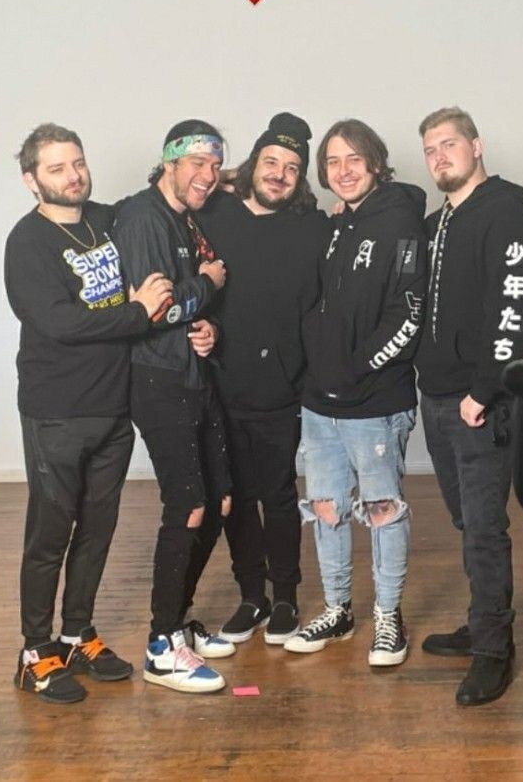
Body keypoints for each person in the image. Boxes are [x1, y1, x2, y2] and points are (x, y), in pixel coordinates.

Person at [5, 123, 171, 704]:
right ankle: (34, 651)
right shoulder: (27, 243)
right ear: (32, 180)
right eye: (56, 168)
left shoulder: (106, 220)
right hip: (56, 413)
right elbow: (61, 323)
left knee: (97, 531)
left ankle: (76, 633)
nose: (72, 175)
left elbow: (156, 199)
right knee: (50, 536)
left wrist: (214, 177)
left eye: (77, 163)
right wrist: (139, 312)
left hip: (112, 409)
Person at [284, 119, 428, 666]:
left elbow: (410, 312)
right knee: (326, 507)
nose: (342, 171)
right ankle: (338, 609)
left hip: (374, 399)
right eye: (332, 162)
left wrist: (362, 366)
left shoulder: (400, 223)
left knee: (382, 508)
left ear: (375, 163)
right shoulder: (339, 225)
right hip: (320, 403)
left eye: (353, 160)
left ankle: (389, 616)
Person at [415, 106, 523, 705]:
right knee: (469, 525)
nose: (440, 157)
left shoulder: (507, 216)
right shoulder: (440, 220)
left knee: (486, 529)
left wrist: (482, 392)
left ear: (477, 145)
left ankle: (495, 650)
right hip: (437, 398)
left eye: (449, 145)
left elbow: (514, 317)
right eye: (431, 151)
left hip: (477, 403)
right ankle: (481, 620)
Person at [197, 113, 330, 645]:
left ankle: (286, 599)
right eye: (270, 162)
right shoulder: (216, 212)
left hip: (283, 388)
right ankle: (250, 595)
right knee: (234, 494)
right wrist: (227, 176)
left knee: (276, 494)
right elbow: (160, 183)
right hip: (221, 383)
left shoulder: (313, 226)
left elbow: (405, 197)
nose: (279, 174)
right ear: (253, 163)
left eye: (292, 167)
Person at [113, 120, 234, 694]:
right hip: (158, 382)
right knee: (187, 505)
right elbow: (154, 310)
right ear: (169, 162)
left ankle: (178, 622)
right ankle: (162, 646)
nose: (207, 176)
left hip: (192, 374)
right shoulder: (142, 216)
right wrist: (207, 286)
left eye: (215, 166)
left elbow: (181, 311)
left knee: (221, 501)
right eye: (197, 164)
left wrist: (205, 325)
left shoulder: (185, 219)